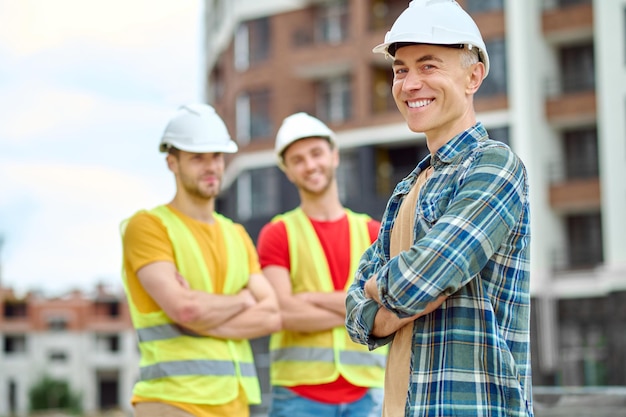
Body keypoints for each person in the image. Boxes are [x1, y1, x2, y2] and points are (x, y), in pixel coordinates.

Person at [345, 1, 534, 416]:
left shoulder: (495, 165)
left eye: (428, 66)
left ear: (473, 76)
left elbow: (420, 280)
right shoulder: (407, 187)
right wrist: (397, 289)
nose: (410, 83)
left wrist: (388, 290)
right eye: (400, 69)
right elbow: (356, 315)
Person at [120, 103, 281, 417]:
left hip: (235, 403)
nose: (211, 167)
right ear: (172, 163)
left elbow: (272, 315)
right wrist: (245, 300)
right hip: (173, 401)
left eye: (217, 156)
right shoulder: (149, 227)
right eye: (197, 158)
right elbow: (185, 308)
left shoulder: (236, 234)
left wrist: (200, 319)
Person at [257, 112, 387, 417]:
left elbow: (386, 306)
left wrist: (311, 299)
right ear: (287, 170)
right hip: (297, 397)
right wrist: (358, 309)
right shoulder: (277, 233)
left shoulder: (373, 232)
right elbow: (282, 311)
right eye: (298, 159)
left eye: (316, 153)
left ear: (334, 155)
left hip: (368, 392)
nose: (310, 165)